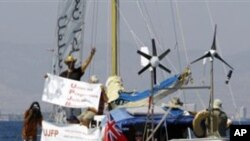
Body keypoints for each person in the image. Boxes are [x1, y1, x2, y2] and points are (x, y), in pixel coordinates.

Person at [60, 48, 96, 122]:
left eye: (72, 62)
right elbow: (56, 82)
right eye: (70, 62)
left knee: (77, 118)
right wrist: (48, 78)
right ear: (67, 64)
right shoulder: (63, 74)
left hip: (77, 99)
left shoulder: (78, 72)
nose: (71, 64)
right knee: (69, 118)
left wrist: (91, 55)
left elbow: (86, 64)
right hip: (68, 100)